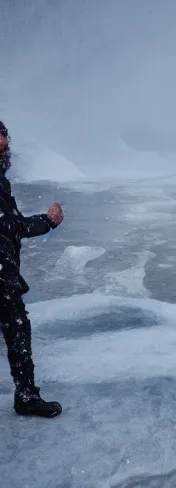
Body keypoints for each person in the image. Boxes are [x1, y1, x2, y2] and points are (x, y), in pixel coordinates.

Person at [0, 120, 64, 418]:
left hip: (6, 278)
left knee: (19, 333)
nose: (4, 142)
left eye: (4, 136)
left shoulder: (1, 183)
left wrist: (48, 221)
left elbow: (13, 226)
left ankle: (26, 396)